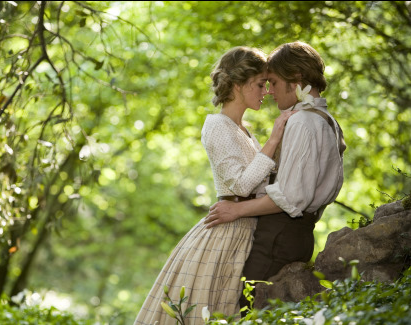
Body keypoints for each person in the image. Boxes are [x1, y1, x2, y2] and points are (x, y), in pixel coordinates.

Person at [134, 46, 296, 324]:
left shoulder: (243, 130)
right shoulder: (217, 125)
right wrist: (274, 139)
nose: (266, 91)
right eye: (260, 84)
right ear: (238, 84)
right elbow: (241, 185)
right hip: (227, 231)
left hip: (246, 227)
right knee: (213, 310)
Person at [203, 41, 346, 311]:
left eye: (273, 82)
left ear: (296, 80)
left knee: (247, 310)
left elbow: (291, 197)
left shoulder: (303, 122)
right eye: (262, 84)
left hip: (280, 233)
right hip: (295, 231)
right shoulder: (326, 119)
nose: (270, 92)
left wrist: (236, 210)